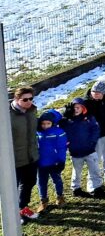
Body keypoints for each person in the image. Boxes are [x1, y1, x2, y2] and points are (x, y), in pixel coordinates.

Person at [60, 98, 105, 198]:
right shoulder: (66, 121)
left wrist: (92, 142)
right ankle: (76, 188)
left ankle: (96, 188)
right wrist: (65, 117)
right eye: (74, 108)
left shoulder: (89, 118)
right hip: (75, 152)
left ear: (83, 108)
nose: (76, 110)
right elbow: (60, 129)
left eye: (78, 107)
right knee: (76, 171)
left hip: (89, 150)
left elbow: (95, 130)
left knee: (95, 169)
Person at [10, 87, 40, 221]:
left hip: (31, 156)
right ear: (16, 99)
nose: (29, 102)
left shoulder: (32, 111)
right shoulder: (7, 115)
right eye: (25, 99)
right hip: (14, 159)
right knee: (12, 188)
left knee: (29, 182)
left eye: (31, 98)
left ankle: (23, 208)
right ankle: (11, 215)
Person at [36, 109, 68, 211]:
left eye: (48, 123)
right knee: (41, 182)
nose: (45, 126)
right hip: (41, 163)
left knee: (57, 180)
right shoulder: (38, 132)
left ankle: (60, 197)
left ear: (53, 123)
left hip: (55, 162)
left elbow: (62, 148)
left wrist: (61, 161)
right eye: (43, 124)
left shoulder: (59, 133)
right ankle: (43, 201)